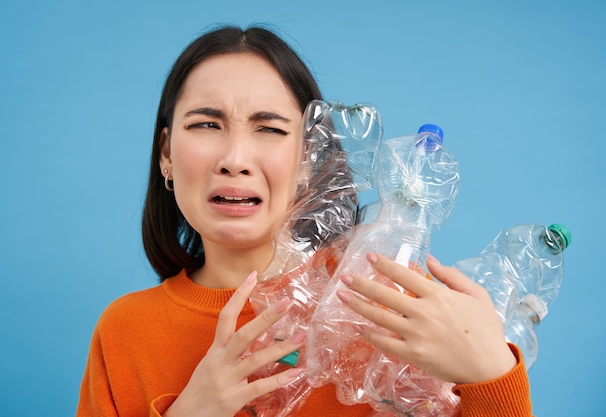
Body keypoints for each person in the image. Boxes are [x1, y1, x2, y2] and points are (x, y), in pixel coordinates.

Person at [76, 25, 533, 417]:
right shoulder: (126, 332)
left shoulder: (388, 309)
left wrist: (492, 375)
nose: (235, 159)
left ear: (310, 162)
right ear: (166, 155)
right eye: (206, 125)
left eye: (270, 129)